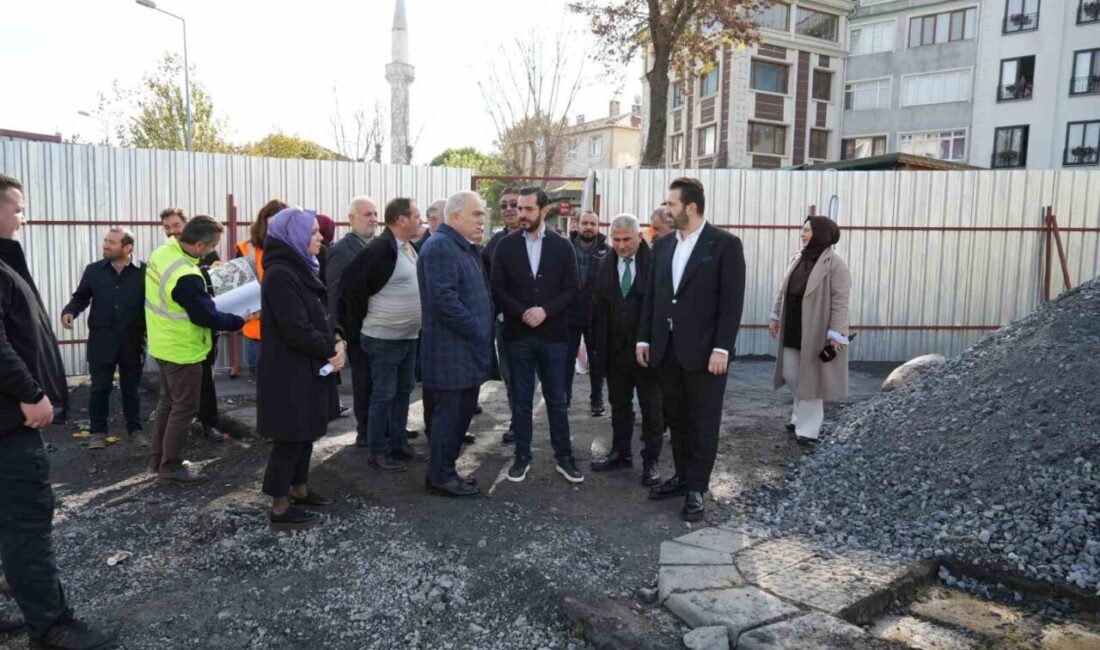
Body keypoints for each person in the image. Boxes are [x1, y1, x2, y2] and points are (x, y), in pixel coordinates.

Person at [0, 174, 117, 650]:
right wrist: (30, 392)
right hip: (10, 423)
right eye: (19, 208)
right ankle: (49, 628)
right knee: (26, 523)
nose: (24, 216)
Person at [637, 177, 745, 522]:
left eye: (670, 204)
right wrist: (644, 339)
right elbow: (653, 297)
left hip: (705, 353)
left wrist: (722, 348)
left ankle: (697, 487)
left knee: (703, 421)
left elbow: (731, 303)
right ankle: (682, 476)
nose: (666, 209)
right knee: (678, 418)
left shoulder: (725, 244)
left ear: (691, 207)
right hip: (667, 351)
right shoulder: (664, 246)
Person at [490, 186, 583, 484]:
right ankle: (521, 457)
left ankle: (564, 457)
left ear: (544, 211)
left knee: (556, 398)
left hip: (554, 337)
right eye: (519, 208)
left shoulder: (562, 246)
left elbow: (572, 289)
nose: (522, 214)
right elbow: (497, 289)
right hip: (518, 336)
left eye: (528, 209)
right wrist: (522, 312)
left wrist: (545, 311)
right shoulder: (505, 246)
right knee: (521, 399)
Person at [257, 208, 342, 530]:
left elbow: (322, 314)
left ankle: (300, 489)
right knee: (289, 437)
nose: (321, 238)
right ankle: (280, 506)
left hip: (308, 366)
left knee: (306, 431)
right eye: (314, 232)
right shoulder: (281, 273)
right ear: (294, 236)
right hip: (288, 372)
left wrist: (337, 338)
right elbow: (295, 327)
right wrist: (329, 349)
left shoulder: (303, 267)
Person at [145, 216, 247, 484]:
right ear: (199, 244)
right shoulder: (186, 276)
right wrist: (240, 320)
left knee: (168, 404)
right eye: (212, 245)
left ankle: (157, 460)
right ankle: (170, 467)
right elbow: (206, 317)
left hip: (162, 343)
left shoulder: (163, 252)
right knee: (184, 408)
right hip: (183, 350)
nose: (213, 250)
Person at [339, 198, 428, 472]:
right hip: (383, 339)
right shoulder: (380, 249)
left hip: (408, 337)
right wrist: (357, 328)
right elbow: (350, 289)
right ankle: (377, 451)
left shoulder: (407, 248)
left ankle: (398, 443)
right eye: (416, 216)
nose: (420, 220)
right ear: (401, 220)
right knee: (383, 394)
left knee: (403, 392)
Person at [418, 191, 492, 498]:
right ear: (455, 216)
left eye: (482, 215)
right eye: (476, 214)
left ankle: (445, 471)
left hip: (465, 350)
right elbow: (444, 301)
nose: (482, 221)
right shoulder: (440, 248)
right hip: (452, 352)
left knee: (460, 415)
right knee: (450, 416)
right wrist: (477, 329)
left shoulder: (462, 246)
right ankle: (441, 477)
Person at [590, 214, 663, 487]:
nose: (620, 246)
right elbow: (597, 308)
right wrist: (596, 348)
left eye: (626, 240)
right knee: (619, 406)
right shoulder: (604, 264)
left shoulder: (655, 264)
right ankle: (621, 453)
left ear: (640, 236)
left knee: (652, 408)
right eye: (616, 240)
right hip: (615, 352)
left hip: (647, 354)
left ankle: (651, 461)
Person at [60, 227, 146, 450]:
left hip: (132, 340)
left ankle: (135, 431)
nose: (106, 245)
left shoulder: (145, 272)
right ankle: (98, 432)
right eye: (106, 241)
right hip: (102, 339)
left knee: (132, 389)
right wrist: (70, 311)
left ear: (128, 248)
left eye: (112, 242)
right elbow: (81, 297)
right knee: (99, 389)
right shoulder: (93, 270)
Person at [769, 216, 850, 446]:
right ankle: (799, 414)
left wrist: (836, 333)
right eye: (802, 230)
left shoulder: (835, 264)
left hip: (815, 329)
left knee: (810, 380)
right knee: (792, 373)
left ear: (821, 233)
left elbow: (841, 301)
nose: (802, 234)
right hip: (793, 325)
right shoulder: (798, 259)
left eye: (807, 230)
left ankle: (808, 429)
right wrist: (775, 316)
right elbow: (783, 291)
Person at [159, 207, 225, 442]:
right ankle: (178, 435)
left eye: (176, 226)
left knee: (205, 380)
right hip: (178, 336)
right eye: (167, 228)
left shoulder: (207, 251)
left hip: (204, 330)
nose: (171, 232)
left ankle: (209, 424)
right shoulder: (166, 255)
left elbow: (219, 283)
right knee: (175, 392)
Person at [326, 197, 383, 445]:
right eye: (367, 214)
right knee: (364, 381)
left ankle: (385, 428)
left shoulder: (381, 245)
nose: (373, 219)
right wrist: (338, 332)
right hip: (358, 329)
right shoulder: (341, 251)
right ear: (351, 219)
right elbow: (334, 294)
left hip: (384, 328)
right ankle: (365, 431)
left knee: (384, 382)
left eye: (375, 214)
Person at [481, 187, 522, 443]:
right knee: (510, 377)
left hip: (536, 324)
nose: (508, 209)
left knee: (529, 378)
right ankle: (517, 422)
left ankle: (524, 422)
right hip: (504, 324)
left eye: (513, 204)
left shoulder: (539, 240)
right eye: (504, 205)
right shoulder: (494, 243)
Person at [235, 199, 288, 382]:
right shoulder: (247, 249)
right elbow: (238, 287)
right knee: (263, 383)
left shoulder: (297, 247)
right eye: (272, 222)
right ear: (263, 222)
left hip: (288, 326)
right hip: (258, 327)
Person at [566, 211, 610, 415]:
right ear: (577, 225)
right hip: (570, 315)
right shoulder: (565, 248)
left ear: (598, 226)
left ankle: (597, 400)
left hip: (596, 316)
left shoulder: (607, 252)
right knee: (566, 360)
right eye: (585, 223)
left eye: (593, 223)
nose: (588, 227)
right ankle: (564, 397)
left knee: (596, 361)